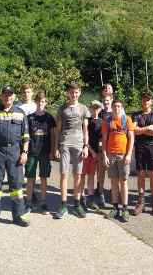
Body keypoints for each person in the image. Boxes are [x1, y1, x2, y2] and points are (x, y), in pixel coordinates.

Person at [0, 86, 31, 228]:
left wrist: (25, 152)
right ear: (1, 96)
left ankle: (18, 215)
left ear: (14, 97)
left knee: (16, 186)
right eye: (5, 95)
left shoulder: (20, 113)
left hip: (15, 152)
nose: (7, 97)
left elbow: (26, 137)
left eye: (10, 95)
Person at [53, 82, 90, 219]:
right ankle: (63, 205)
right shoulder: (62, 109)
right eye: (71, 92)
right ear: (68, 93)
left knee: (78, 175)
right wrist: (56, 147)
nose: (73, 95)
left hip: (79, 145)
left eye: (76, 92)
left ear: (79, 93)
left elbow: (86, 129)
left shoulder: (84, 108)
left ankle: (77, 204)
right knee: (63, 174)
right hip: (65, 144)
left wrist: (86, 146)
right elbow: (58, 130)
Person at [102, 99, 135, 222]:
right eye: (114, 106)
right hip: (111, 155)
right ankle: (115, 208)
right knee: (114, 183)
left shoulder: (127, 120)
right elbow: (104, 140)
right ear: (111, 108)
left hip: (123, 155)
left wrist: (129, 154)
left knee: (124, 182)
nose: (116, 108)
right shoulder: (107, 121)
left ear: (121, 108)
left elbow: (131, 138)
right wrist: (105, 155)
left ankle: (125, 209)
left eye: (119, 106)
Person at [24, 91, 56, 214]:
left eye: (43, 101)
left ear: (45, 103)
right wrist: (24, 152)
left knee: (43, 178)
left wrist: (53, 150)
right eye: (38, 101)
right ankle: (28, 202)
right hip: (32, 151)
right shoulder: (29, 118)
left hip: (45, 152)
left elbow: (53, 135)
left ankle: (43, 202)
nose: (40, 103)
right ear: (35, 102)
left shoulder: (49, 117)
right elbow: (25, 136)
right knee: (30, 178)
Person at [131, 91, 153, 216]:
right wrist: (148, 128)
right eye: (144, 99)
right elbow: (133, 130)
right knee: (140, 174)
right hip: (139, 148)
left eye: (148, 100)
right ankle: (141, 202)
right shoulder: (136, 115)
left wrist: (142, 130)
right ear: (141, 101)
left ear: (152, 101)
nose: (146, 102)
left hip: (152, 148)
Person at [82, 100, 103, 211]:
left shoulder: (102, 122)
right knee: (82, 175)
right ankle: (80, 198)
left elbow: (101, 139)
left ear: (100, 109)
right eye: (93, 108)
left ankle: (90, 199)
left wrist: (99, 152)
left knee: (91, 176)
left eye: (97, 108)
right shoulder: (86, 121)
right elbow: (84, 136)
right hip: (86, 152)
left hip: (95, 154)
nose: (95, 110)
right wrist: (91, 150)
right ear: (90, 109)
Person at [96, 91, 113, 208]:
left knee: (113, 172)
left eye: (108, 100)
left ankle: (113, 193)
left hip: (114, 147)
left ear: (111, 100)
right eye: (104, 101)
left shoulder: (117, 112)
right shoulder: (100, 113)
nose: (106, 103)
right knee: (101, 172)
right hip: (102, 146)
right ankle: (100, 193)